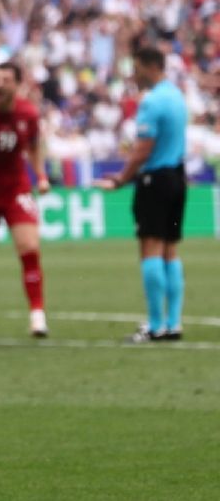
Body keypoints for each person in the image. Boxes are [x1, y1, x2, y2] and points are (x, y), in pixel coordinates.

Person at [95, 46, 187, 342]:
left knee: (150, 248)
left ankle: (155, 325)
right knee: (170, 251)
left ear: (150, 66)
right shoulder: (177, 96)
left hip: (155, 181)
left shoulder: (152, 102)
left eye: (137, 68)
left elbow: (143, 149)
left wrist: (122, 178)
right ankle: (173, 323)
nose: (134, 74)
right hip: (177, 178)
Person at [0, 63, 50, 338]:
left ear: (17, 85)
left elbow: (35, 144)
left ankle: (37, 315)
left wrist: (41, 174)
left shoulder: (28, 113)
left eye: (6, 79)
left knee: (29, 245)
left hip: (16, 186)